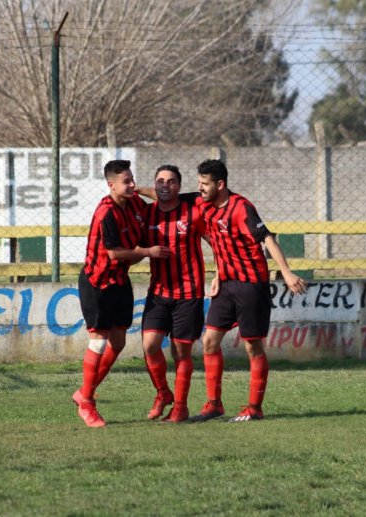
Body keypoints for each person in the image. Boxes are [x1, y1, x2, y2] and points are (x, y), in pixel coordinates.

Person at [189, 159, 308, 422]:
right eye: (198, 183)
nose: (200, 188)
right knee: (209, 341)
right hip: (226, 285)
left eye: (204, 184)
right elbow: (168, 196)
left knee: (252, 346)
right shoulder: (202, 203)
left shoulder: (242, 208)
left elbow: (267, 238)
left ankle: (255, 408)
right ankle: (213, 405)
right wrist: (137, 189)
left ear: (220, 184)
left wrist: (286, 273)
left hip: (250, 286)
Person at [73, 160, 171, 428]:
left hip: (119, 281)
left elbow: (162, 200)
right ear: (110, 185)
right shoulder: (106, 212)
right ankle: (87, 403)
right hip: (97, 283)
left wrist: (139, 190)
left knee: (118, 343)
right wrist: (147, 252)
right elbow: (114, 253)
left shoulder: (134, 203)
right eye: (125, 181)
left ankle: (83, 393)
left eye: (132, 180)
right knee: (99, 342)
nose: (131, 185)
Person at [138, 165, 207, 423]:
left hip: (189, 293)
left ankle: (180, 407)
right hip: (158, 292)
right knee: (150, 345)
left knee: (181, 353)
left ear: (179, 186)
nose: (165, 185)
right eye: (160, 181)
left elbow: (216, 243)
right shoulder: (146, 214)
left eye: (171, 181)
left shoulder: (193, 213)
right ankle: (163, 393)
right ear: (155, 185)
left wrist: (221, 274)